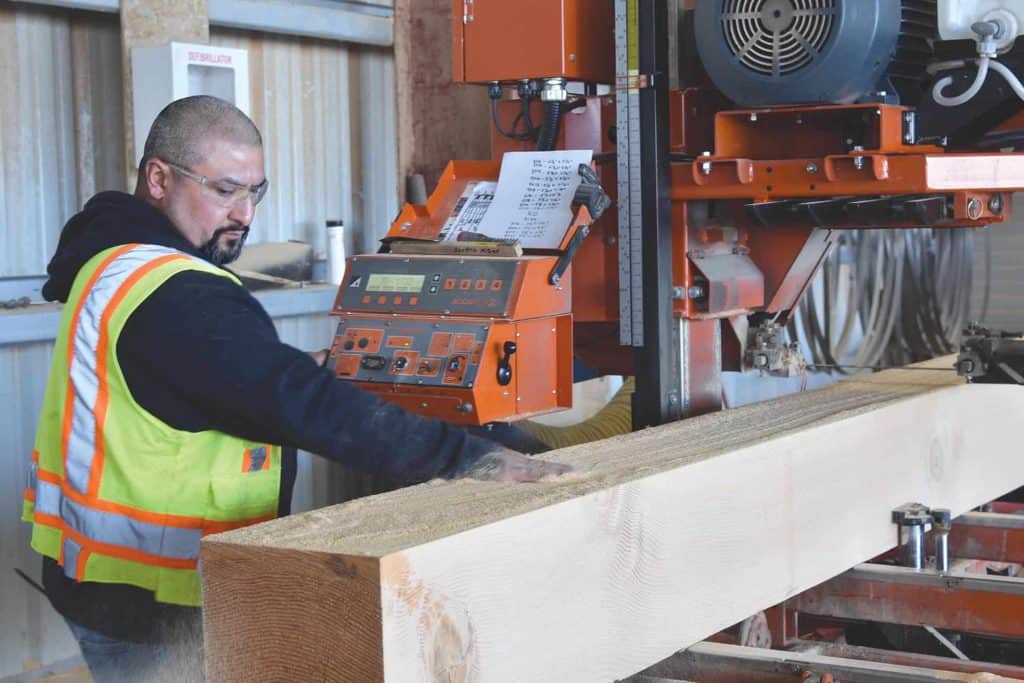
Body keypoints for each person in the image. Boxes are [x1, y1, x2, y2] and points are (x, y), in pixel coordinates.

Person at [21, 95, 571, 682]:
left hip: (99, 577)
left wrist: (292, 364)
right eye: (225, 190)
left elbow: (194, 377)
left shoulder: (114, 259)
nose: (245, 214)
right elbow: (299, 404)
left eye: (256, 191)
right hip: (155, 602)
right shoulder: (176, 290)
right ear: (159, 178)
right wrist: (471, 460)